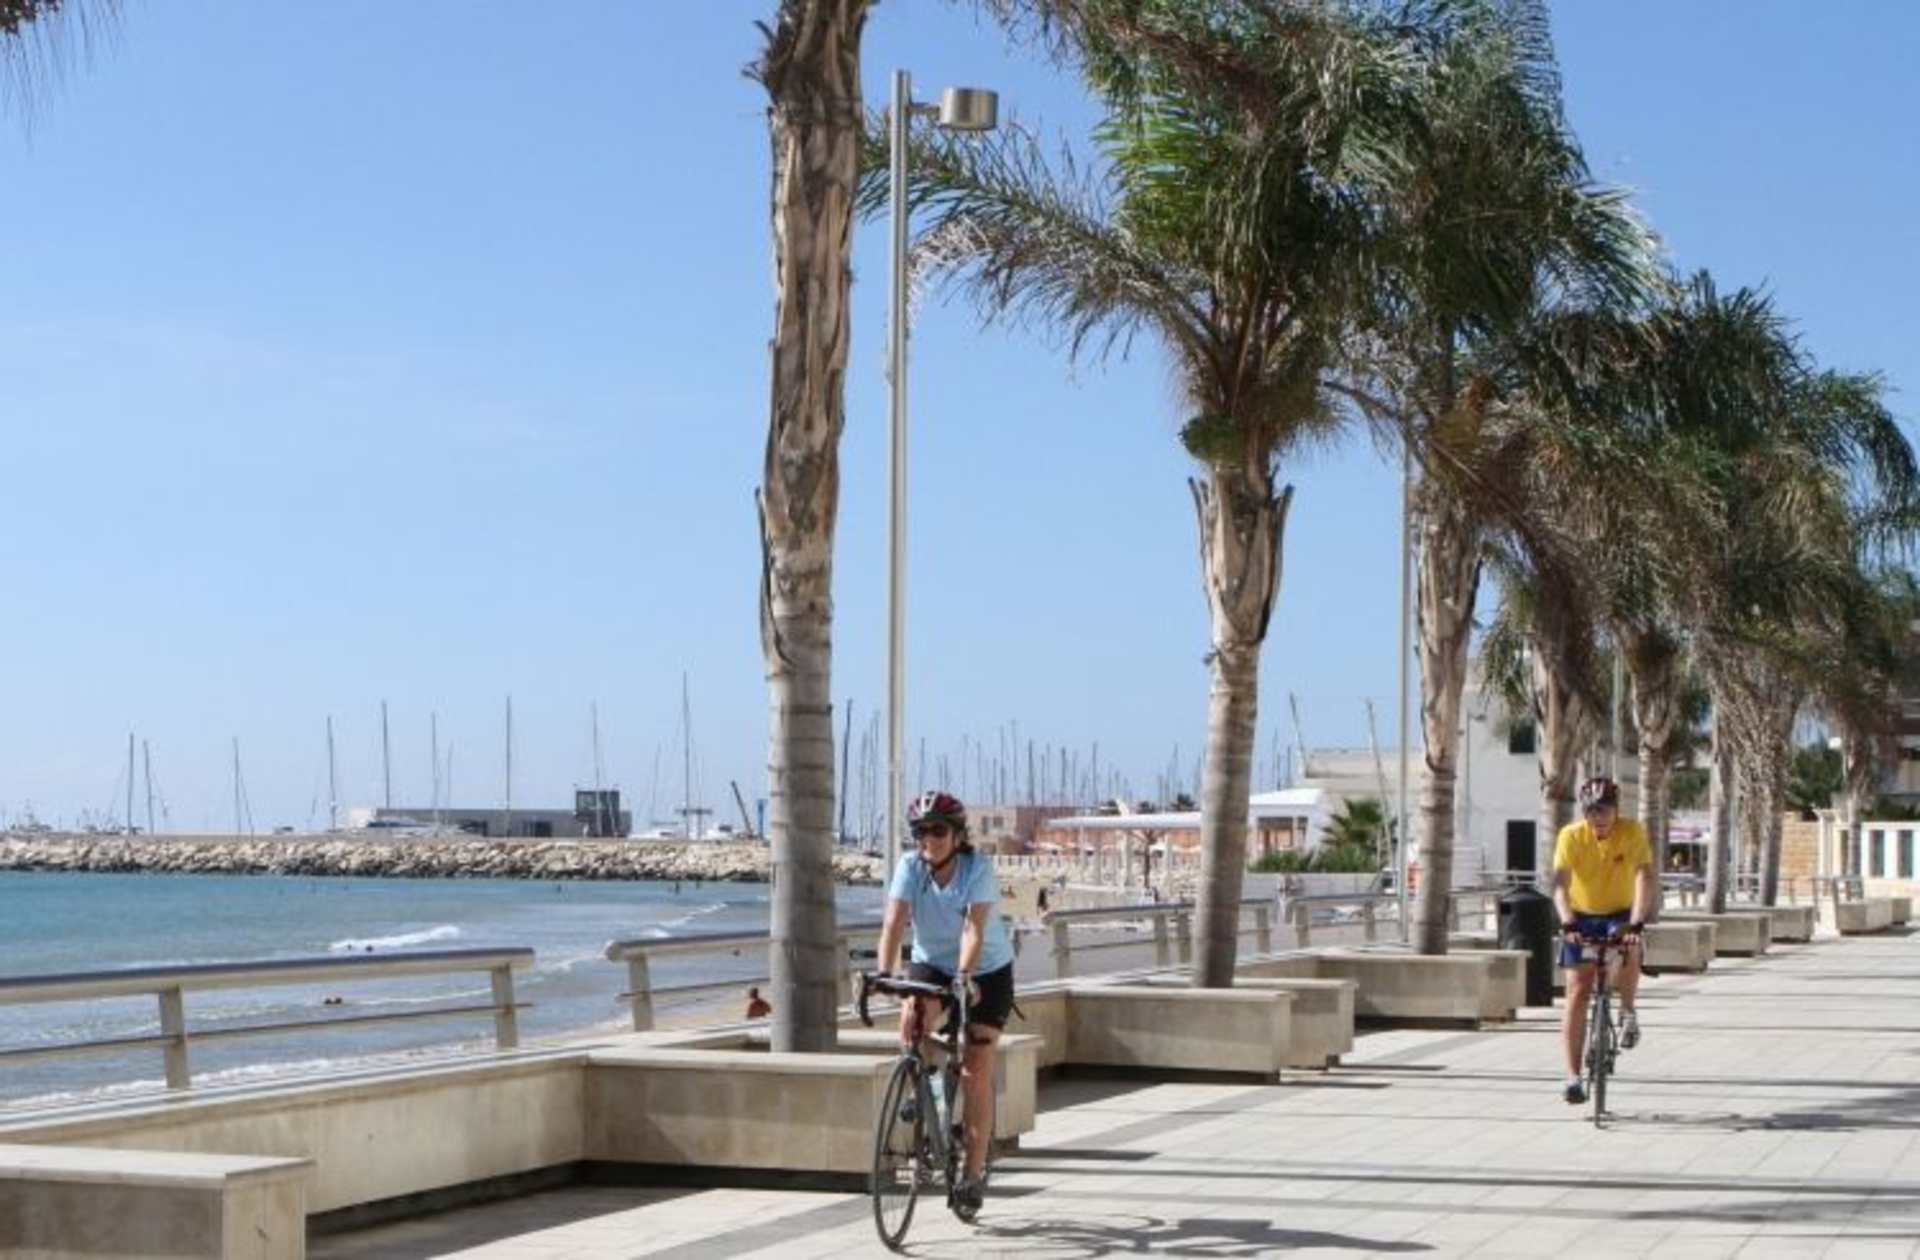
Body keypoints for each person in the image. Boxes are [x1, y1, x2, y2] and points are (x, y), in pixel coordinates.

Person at [874, 791, 1015, 1220]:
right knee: (912, 1021)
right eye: (921, 831)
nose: (928, 839)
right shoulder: (909, 868)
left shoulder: (977, 868)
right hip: (931, 963)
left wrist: (965, 977)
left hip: (985, 971)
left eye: (938, 830)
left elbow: (974, 930)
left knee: (976, 1071)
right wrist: (884, 972)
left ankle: (971, 1175)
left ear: (956, 835)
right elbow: (894, 921)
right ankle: (923, 1081)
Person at [1552, 775, 1654, 1104]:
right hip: (1581, 915)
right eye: (1592, 811)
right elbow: (1559, 885)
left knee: (1631, 948)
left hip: (1620, 913)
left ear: (1616, 810)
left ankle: (1627, 1011)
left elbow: (1643, 878)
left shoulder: (1632, 832)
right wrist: (1567, 921)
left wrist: (1637, 922)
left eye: (1605, 810)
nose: (1599, 817)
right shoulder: (1570, 836)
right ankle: (1572, 1077)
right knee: (1577, 990)